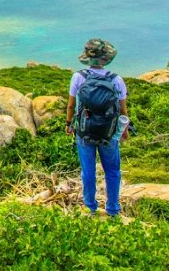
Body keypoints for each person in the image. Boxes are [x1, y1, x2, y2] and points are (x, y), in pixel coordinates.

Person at [64, 38, 128, 217]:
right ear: (105, 58)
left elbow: (71, 105)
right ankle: (113, 209)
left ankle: (90, 207)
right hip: (109, 133)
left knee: (88, 171)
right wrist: (124, 130)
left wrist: (69, 124)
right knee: (113, 171)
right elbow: (123, 110)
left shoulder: (78, 77)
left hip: (85, 131)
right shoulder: (116, 80)